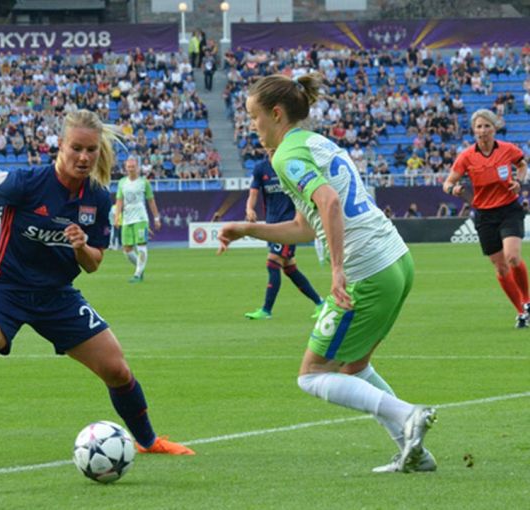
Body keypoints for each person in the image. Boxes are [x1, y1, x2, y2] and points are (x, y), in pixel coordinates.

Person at [0, 110, 193, 456]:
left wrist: (82, 246)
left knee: (117, 368)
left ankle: (148, 441)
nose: (83, 157)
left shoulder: (97, 198)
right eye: (76, 148)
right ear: (60, 147)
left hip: (57, 297)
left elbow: (94, 264)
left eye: (91, 150)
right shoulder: (26, 183)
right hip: (6, 288)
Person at [217, 73, 436, 473]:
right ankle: (413, 451)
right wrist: (247, 228)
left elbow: (330, 202)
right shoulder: (315, 143)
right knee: (353, 367)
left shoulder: (284, 155)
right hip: (396, 262)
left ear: (276, 114)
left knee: (312, 375)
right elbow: (306, 225)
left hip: (366, 270)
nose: (251, 126)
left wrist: (337, 272)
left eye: (253, 117)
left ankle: (407, 415)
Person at [443, 108, 530, 328]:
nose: (482, 131)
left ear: (494, 128)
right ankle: (521, 312)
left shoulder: (508, 149)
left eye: (486, 126)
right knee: (500, 268)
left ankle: (528, 301)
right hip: (484, 215)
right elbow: (447, 183)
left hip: (509, 209)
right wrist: (453, 189)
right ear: (473, 131)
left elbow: (521, 165)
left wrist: (519, 182)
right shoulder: (467, 156)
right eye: (478, 127)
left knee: (512, 257)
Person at [244, 156, 324, 320]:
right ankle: (320, 303)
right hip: (272, 224)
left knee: (273, 262)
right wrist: (249, 209)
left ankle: (266, 310)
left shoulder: (289, 167)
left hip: (289, 224)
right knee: (289, 268)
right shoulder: (261, 168)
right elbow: (253, 192)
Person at [115, 156, 161, 283]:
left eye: (133, 167)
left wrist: (156, 218)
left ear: (138, 168)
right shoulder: (122, 183)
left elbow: (151, 201)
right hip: (127, 219)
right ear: (125, 168)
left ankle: (137, 274)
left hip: (141, 218)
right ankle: (140, 268)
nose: (131, 169)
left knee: (141, 246)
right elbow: (119, 201)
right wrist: (117, 216)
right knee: (127, 249)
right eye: (129, 167)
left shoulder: (144, 182)